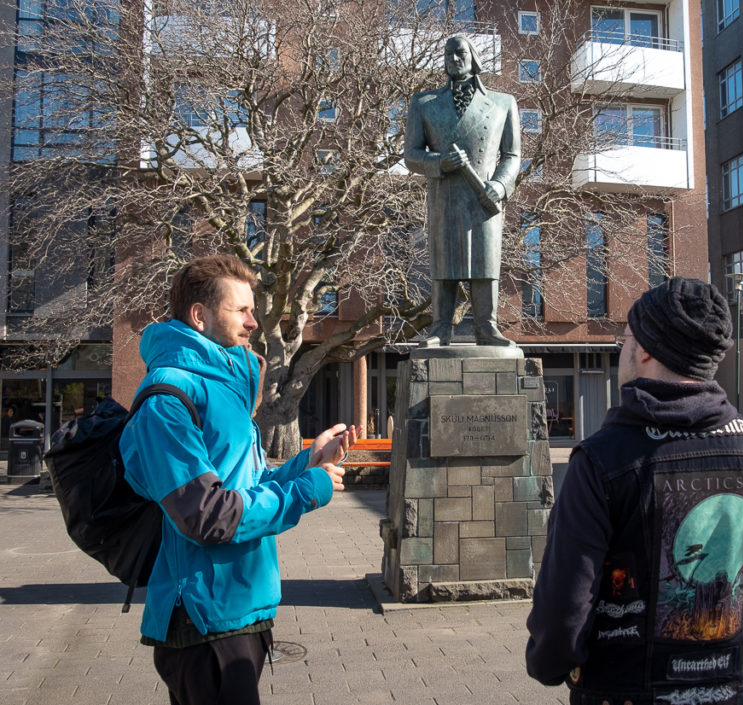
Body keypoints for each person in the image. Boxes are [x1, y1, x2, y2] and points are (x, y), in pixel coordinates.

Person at [526, 277, 743, 705]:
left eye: (626, 338)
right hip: (725, 688)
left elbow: (564, 611)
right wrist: (723, 628)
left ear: (645, 349)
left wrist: (549, 662)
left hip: (621, 689)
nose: (621, 350)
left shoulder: (602, 459)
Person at [120, 254, 360, 705]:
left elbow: (242, 484)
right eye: (242, 310)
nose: (254, 321)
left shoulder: (223, 388)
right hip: (201, 618)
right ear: (200, 315)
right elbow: (207, 515)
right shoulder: (168, 399)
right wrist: (308, 491)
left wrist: (308, 461)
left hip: (237, 607)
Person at [404, 34, 521, 347]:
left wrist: (499, 185)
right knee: (444, 264)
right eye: (447, 54)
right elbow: (411, 155)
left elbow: (512, 156)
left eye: (459, 53)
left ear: (473, 57)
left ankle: (488, 328)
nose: (453, 59)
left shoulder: (503, 102)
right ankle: (440, 329)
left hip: (484, 199)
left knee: (485, 263)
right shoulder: (424, 103)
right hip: (444, 197)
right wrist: (441, 162)